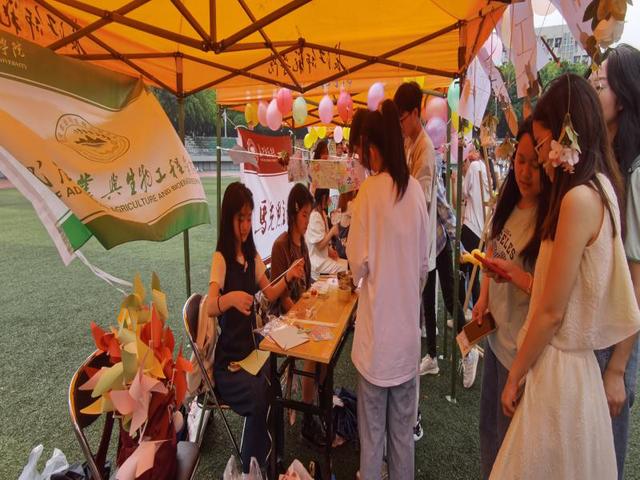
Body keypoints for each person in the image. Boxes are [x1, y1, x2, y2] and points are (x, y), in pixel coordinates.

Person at [490, 74, 640, 479]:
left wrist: (514, 375)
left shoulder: (577, 199)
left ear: (564, 136)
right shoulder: (602, 187)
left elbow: (551, 311)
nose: (540, 158)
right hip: (573, 370)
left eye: (541, 145)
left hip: (559, 372)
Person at [347, 100, 430, 480]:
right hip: (406, 345)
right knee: (401, 440)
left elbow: (356, 266)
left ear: (373, 147)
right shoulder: (415, 193)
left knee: (372, 441)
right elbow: (423, 268)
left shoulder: (368, 193)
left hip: (377, 346)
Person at [206, 182, 305, 473]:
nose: (246, 226)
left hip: (252, 352)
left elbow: (270, 292)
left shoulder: (251, 256)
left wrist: (289, 276)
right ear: (228, 219)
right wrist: (230, 299)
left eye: (249, 218)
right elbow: (209, 305)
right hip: (230, 365)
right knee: (262, 394)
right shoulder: (221, 259)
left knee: (273, 386)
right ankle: (252, 470)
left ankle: (273, 462)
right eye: (241, 218)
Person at [473, 118, 550, 478]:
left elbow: (550, 294)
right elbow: (493, 246)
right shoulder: (510, 202)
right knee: (487, 431)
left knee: (509, 446)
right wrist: (483, 297)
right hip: (494, 338)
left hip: (518, 354)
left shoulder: (549, 221)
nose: (525, 172)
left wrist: (515, 276)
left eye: (535, 164)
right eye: (520, 160)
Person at [590, 43, 640, 480]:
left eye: (600, 84)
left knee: (605, 460)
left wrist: (619, 367)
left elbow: (637, 281)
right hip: (593, 330)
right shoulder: (605, 162)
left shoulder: (636, 173)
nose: (593, 90)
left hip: (615, 342)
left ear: (622, 98)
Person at [393, 81, 437, 442]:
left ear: (415, 113)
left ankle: (414, 416)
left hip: (418, 254)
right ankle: (406, 410)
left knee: (410, 334)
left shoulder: (426, 150)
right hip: (407, 252)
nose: (400, 125)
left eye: (402, 118)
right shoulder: (409, 143)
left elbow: (417, 204)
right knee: (405, 332)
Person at [270, 183, 326, 447]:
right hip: (283, 321)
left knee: (326, 346)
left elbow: (306, 284)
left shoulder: (301, 243)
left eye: (308, 214)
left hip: (300, 313)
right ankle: (308, 418)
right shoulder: (280, 246)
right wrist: (301, 313)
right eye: (304, 215)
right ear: (294, 213)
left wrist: (312, 299)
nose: (306, 221)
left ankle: (315, 401)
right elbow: (280, 298)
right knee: (316, 351)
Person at [461, 146, 490, 306]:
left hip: (470, 225)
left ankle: (462, 309)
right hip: (481, 230)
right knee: (474, 274)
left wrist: (464, 172)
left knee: (462, 271)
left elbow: (464, 192)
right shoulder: (486, 169)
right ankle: (475, 310)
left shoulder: (473, 166)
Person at [305, 187, 347, 279]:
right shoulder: (315, 216)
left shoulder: (322, 214)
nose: (330, 200)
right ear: (324, 197)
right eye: (328, 197)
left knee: (346, 264)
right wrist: (332, 232)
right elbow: (319, 246)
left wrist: (330, 251)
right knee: (346, 267)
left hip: (323, 258)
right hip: (317, 263)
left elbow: (323, 241)